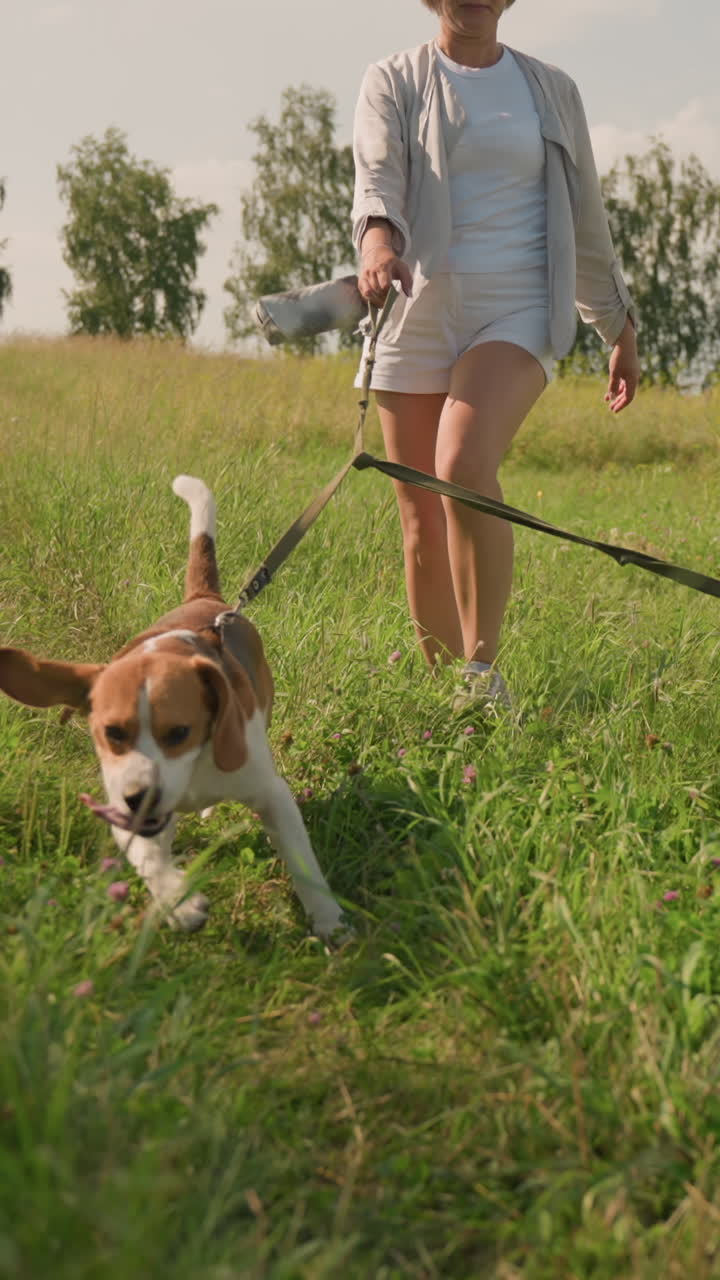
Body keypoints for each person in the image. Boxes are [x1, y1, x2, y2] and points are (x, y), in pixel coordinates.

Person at [352, 0, 640, 711]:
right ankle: (448, 702)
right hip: (415, 306)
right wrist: (377, 243)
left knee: (463, 466)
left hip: (518, 307)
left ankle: (484, 676)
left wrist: (617, 325)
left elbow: (586, 214)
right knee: (420, 513)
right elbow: (379, 175)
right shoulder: (394, 78)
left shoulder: (550, 89)